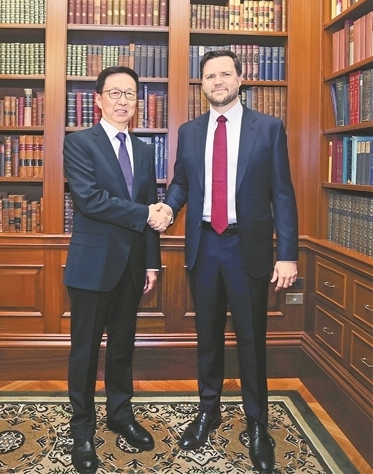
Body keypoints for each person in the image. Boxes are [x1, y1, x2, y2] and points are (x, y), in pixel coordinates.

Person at [161, 49, 298, 474]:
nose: (217, 81)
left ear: (240, 79)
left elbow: (282, 194)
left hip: (247, 248)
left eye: (225, 74)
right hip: (204, 246)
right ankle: (209, 411)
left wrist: (287, 254)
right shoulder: (189, 131)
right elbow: (181, 184)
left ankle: (257, 424)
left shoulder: (268, 128)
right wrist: (167, 208)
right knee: (207, 336)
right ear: (201, 84)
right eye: (209, 75)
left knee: (252, 340)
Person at [63, 66, 170, 474]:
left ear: (137, 101)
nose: (123, 100)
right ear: (98, 100)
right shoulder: (79, 143)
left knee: (123, 347)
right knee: (85, 351)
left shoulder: (143, 150)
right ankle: (82, 429)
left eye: (130, 93)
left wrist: (151, 262)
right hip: (92, 266)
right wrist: (146, 213)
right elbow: (89, 199)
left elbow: (149, 207)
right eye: (115, 93)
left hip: (132, 266)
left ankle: (120, 415)